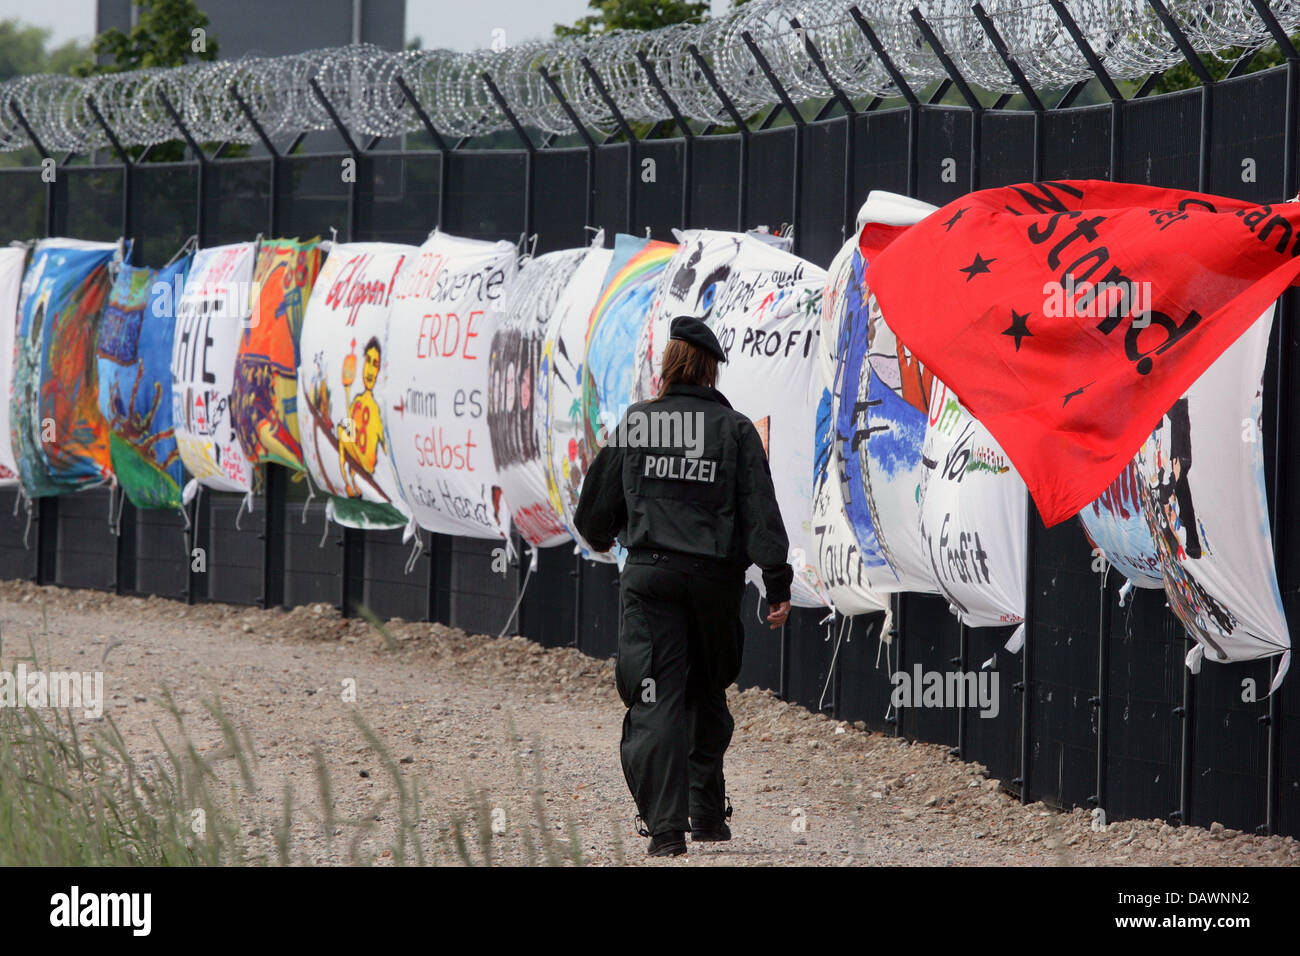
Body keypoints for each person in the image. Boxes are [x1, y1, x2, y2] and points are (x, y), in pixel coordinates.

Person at [574, 315, 793, 858]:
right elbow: (761, 513)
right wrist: (776, 582)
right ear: (712, 371)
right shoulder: (737, 430)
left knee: (654, 696)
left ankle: (667, 828)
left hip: (651, 579)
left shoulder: (638, 423)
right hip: (715, 584)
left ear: (668, 365)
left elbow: (593, 514)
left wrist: (604, 536)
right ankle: (707, 814)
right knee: (707, 687)